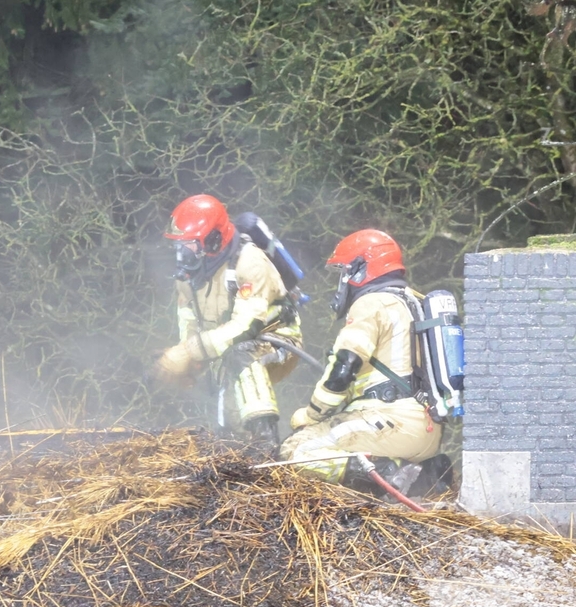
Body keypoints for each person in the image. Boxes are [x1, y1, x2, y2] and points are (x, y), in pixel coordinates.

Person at [279, 228, 446, 495]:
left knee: (296, 449)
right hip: (426, 430)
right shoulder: (414, 301)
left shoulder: (371, 304)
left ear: (360, 270)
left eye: (345, 271)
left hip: (390, 421)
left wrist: (312, 415)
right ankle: (426, 471)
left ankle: (390, 472)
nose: (342, 280)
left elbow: (344, 367)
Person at [150, 194, 303, 455]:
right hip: (231, 347)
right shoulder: (188, 277)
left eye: (188, 245)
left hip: (278, 341)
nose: (181, 253)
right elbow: (189, 322)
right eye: (179, 246)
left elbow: (246, 326)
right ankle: (234, 447)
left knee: (241, 354)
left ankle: (267, 441)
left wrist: (189, 352)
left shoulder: (249, 261)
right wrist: (188, 363)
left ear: (213, 239)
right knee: (227, 423)